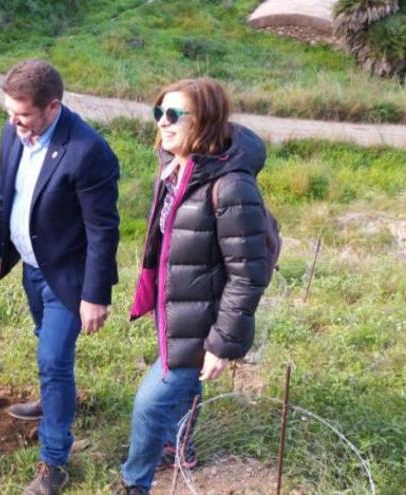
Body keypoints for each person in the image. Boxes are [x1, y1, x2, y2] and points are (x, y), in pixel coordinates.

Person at [116, 78, 270, 494]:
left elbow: (249, 272)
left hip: (202, 324)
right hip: (180, 309)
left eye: (173, 115)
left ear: (204, 121)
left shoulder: (231, 186)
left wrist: (222, 342)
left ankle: (135, 484)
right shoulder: (177, 167)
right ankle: (178, 445)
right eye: (158, 113)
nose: (162, 123)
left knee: (150, 403)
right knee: (178, 396)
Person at [0, 60, 120, 494]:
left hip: (68, 276)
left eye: (22, 113)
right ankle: (52, 397)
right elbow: (6, 193)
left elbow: (103, 230)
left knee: (53, 360)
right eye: (10, 111)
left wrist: (94, 295)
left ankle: (54, 462)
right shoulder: (14, 134)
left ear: (52, 106)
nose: (13, 121)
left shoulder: (87, 151)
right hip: (31, 267)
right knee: (49, 349)